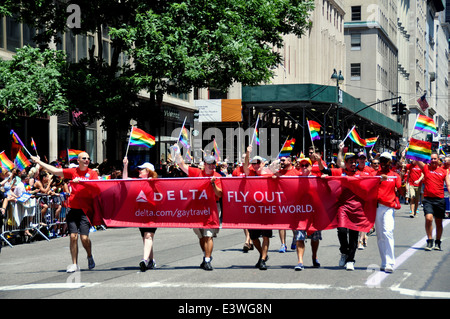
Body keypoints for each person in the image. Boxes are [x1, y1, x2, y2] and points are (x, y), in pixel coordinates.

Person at [31, 152, 97, 273]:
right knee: (73, 236)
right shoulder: (73, 171)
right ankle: (74, 264)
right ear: (78, 160)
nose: (87, 160)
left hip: (85, 210)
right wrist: (39, 162)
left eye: (88, 158)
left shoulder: (93, 173)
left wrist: (82, 182)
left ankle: (89, 255)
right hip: (72, 208)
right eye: (84, 158)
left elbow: (96, 187)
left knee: (84, 238)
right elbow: (55, 171)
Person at [315, 151, 362, 271]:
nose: (353, 164)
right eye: (350, 162)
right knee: (341, 230)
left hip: (356, 208)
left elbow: (374, 179)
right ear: (345, 163)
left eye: (354, 162)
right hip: (343, 207)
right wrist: (319, 161)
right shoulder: (339, 172)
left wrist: (382, 179)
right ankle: (344, 252)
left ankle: (351, 260)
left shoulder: (361, 174)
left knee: (353, 234)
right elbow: (324, 170)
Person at [176, 151, 222, 271]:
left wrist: (213, 185)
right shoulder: (197, 172)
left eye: (213, 164)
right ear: (204, 164)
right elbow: (181, 164)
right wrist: (176, 151)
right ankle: (206, 256)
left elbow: (220, 194)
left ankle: (207, 260)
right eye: (209, 164)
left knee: (208, 235)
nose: (211, 166)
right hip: (197, 208)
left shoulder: (217, 176)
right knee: (201, 236)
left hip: (212, 207)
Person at [123, 157, 158, 272]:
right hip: (140, 214)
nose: (139, 171)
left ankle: (145, 260)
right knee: (146, 237)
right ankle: (151, 260)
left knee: (148, 235)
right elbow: (124, 180)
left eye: (142, 169)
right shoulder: (137, 182)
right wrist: (125, 165)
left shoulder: (156, 183)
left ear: (148, 172)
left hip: (152, 214)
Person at [243, 145, 273, 270]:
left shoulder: (269, 173)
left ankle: (262, 260)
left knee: (266, 236)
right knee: (254, 237)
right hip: (253, 210)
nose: (255, 165)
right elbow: (245, 167)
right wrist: (247, 155)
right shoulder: (250, 173)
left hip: (266, 209)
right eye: (253, 163)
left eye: (258, 163)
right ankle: (263, 254)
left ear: (262, 163)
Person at [372, 152, 401, 273]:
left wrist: (402, 173)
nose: (383, 163)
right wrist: (378, 180)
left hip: (389, 207)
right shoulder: (375, 175)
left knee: (388, 232)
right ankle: (384, 261)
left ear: (390, 162)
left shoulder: (395, 175)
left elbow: (400, 189)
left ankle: (390, 262)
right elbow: (369, 187)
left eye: (386, 161)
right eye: (381, 160)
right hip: (377, 207)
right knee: (380, 235)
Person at [415, 152, 450, 251]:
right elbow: (417, 159)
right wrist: (411, 145)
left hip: (439, 200)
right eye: (432, 159)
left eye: (435, 159)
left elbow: (448, 184)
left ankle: (437, 242)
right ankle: (430, 240)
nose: (433, 160)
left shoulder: (444, 170)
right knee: (429, 218)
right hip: (428, 199)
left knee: (439, 223)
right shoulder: (426, 168)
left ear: (438, 159)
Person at [293, 157, 322, 270]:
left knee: (315, 239)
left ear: (310, 167)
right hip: (300, 213)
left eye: (306, 165)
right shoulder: (294, 179)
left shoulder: (316, 178)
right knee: (299, 238)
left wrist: (325, 178)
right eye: (302, 165)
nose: (304, 167)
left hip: (314, 214)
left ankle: (314, 256)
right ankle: (300, 261)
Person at [274, 156, 300, 252]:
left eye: (283, 160)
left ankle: (294, 238)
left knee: (293, 224)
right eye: (281, 160)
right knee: (281, 224)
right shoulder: (279, 172)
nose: (282, 162)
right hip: (281, 202)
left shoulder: (296, 173)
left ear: (289, 161)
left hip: (294, 202)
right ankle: (283, 244)